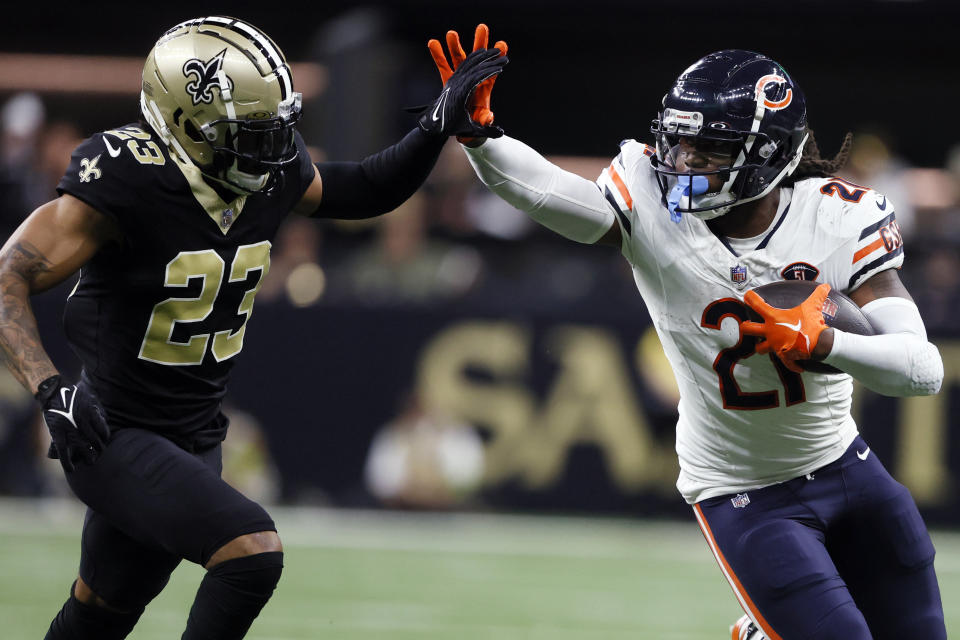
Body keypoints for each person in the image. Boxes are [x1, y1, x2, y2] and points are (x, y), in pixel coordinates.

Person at [0, 16, 506, 640]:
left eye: (272, 131)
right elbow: (7, 279)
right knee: (252, 552)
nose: (269, 152)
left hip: (196, 433)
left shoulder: (261, 171)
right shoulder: (129, 177)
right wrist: (52, 393)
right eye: (247, 135)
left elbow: (366, 189)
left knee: (101, 611)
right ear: (183, 127)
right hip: (113, 433)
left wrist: (435, 125)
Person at [439, 39, 946, 640]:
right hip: (744, 492)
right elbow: (554, 195)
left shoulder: (836, 219)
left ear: (764, 156)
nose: (679, 162)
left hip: (845, 465)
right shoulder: (655, 204)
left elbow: (921, 368)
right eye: (677, 140)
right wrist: (479, 137)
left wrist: (825, 343)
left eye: (707, 149)